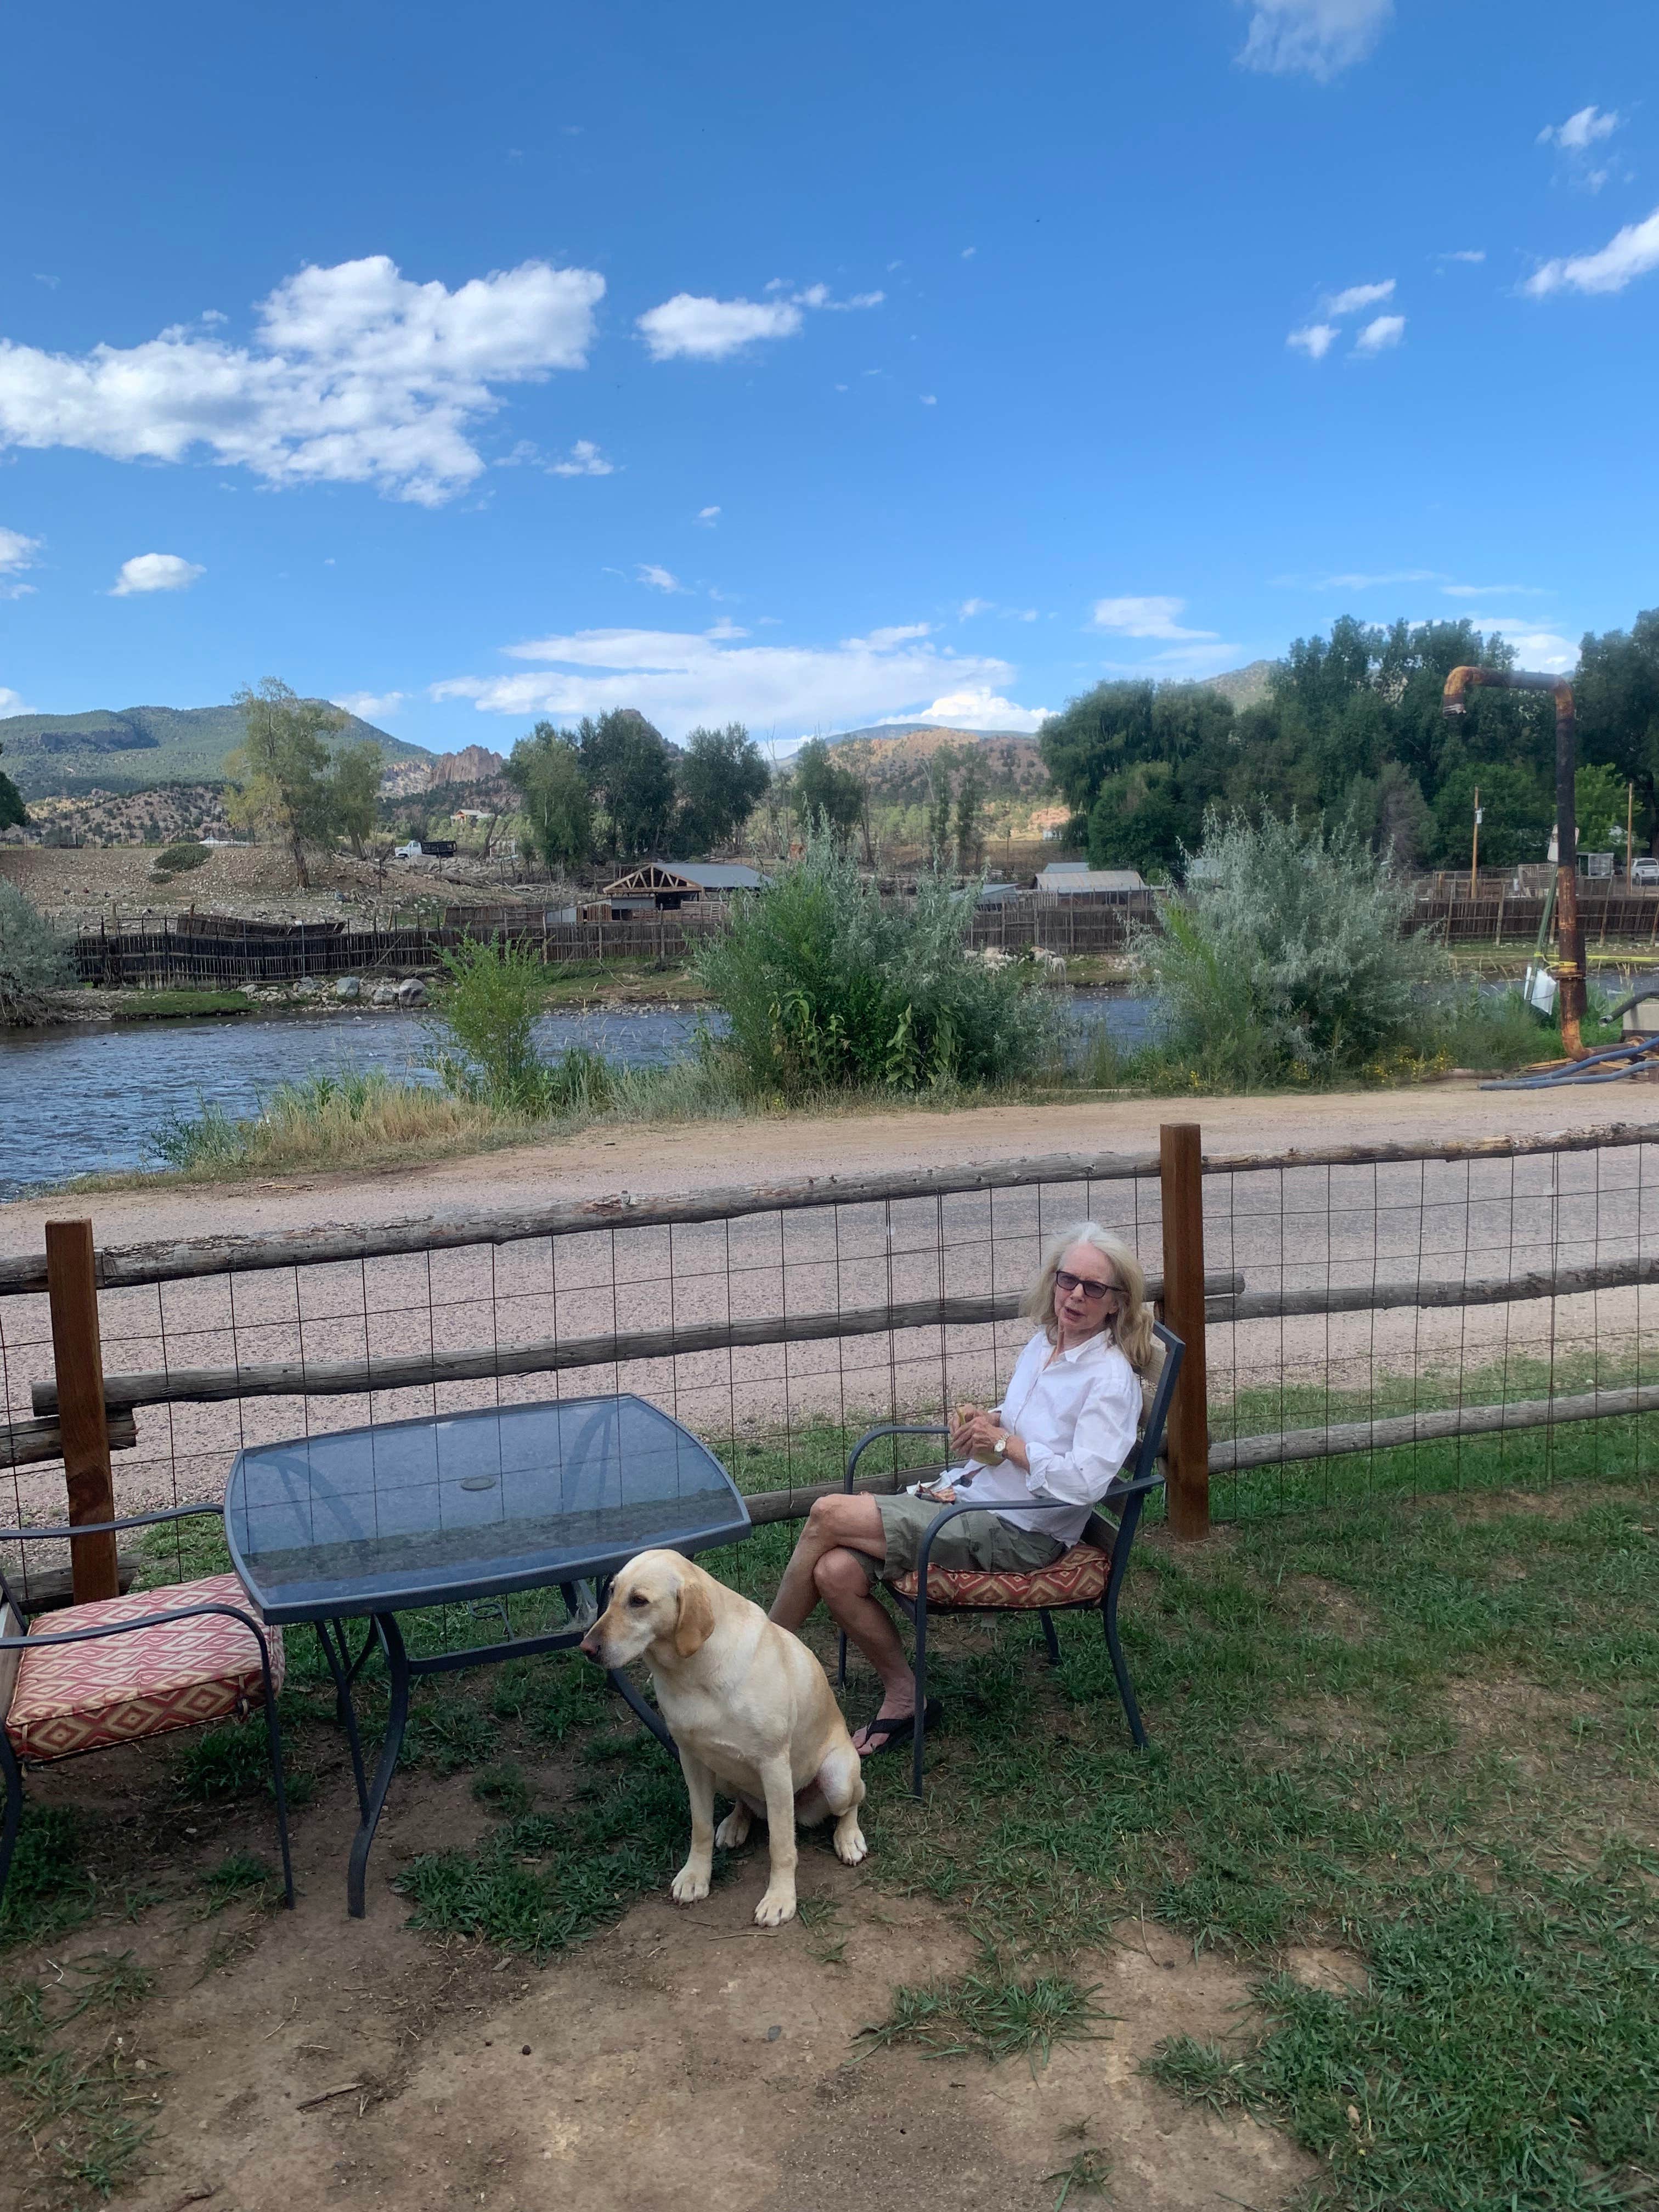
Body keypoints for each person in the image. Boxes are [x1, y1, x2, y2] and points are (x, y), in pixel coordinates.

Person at [769, 1221, 1156, 1756]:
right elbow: (1026, 1426)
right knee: (834, 1571)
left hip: (1020, 1531)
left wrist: (1004, 1445)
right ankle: (907, 1697)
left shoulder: (1109, 1381)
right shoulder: (1047, 1344)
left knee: (827, 1515)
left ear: (1116, 1303)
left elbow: (1085, 1481)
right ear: (1054, 1280)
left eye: (1094, 1288)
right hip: (974, 1497)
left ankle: (758, 1665)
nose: (1075, 1295)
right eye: (1068, 1280)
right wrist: (988, 1422)